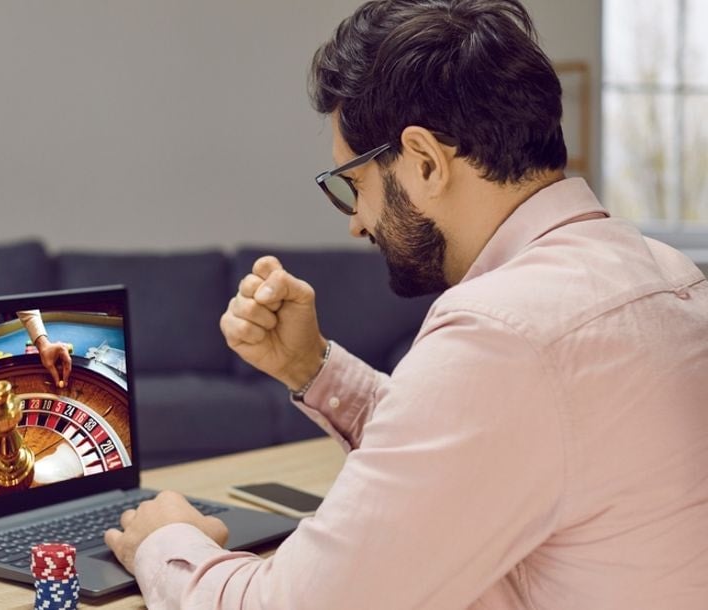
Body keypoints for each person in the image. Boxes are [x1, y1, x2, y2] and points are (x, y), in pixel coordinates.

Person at [103, 1, 708, 608]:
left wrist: (168, 542)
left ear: (423, 161)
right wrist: (310, 366)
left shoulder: (502, 333)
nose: (357, 223)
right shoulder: (666, 273)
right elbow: (476, 451)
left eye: (356, 185)